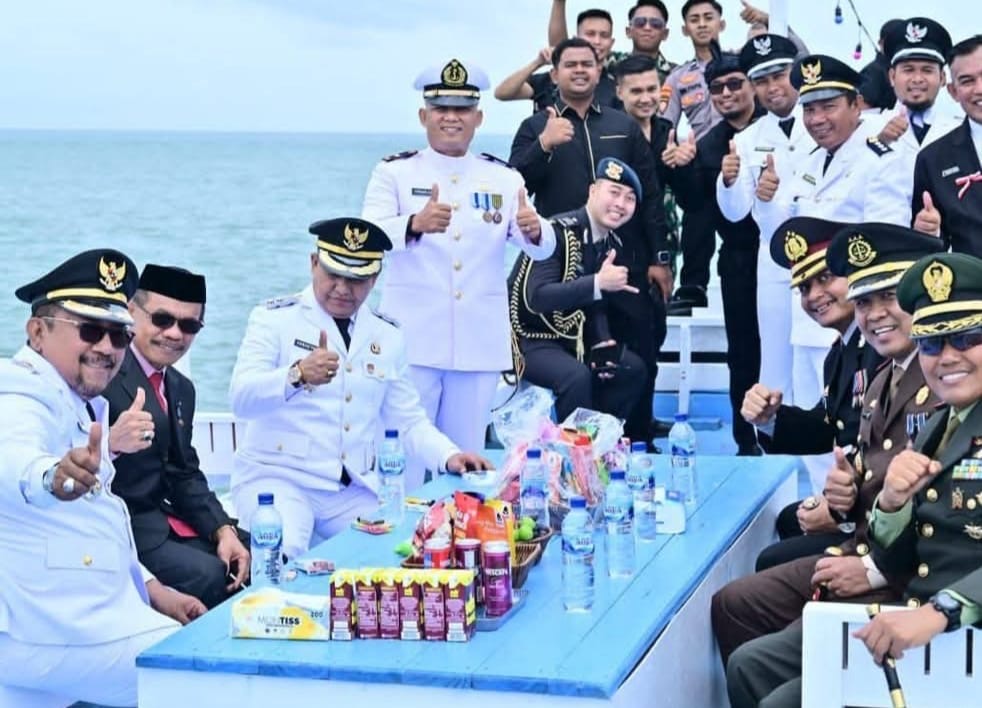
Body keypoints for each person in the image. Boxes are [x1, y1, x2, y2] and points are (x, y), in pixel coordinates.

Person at [715, 224, 943, 683]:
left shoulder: (936, 375)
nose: (875, 314)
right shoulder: (866, 365)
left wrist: (860, 546)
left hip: (911, 579)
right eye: (864, 301)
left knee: (753, 661)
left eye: (889, 297)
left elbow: (941, 508)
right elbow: (850, 444)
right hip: (871, 543)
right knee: (735, 605)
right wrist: (842, 499)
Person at [0, 249, 203, 707]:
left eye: (118, 334)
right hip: (45, 629)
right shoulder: (19, 390)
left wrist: (154, 591)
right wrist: (52, 477)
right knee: (200, 673)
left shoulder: (80, 401)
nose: (107, 348)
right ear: (37, 332)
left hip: (64, 620)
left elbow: (95, 524)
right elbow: (14, 457)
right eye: (90, 330)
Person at [229, 218, 491, 561]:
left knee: (404, 553)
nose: (342, 288)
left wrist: (448, 455)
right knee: (284, 552)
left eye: (355, 280)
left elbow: (408, 420)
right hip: (278, 478)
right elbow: (241, 398)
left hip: (349, 488)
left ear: (374, 278)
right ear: (313, 263)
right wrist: (297, 375)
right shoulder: (274, 319)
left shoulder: (387, 334)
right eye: (333, 275)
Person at [362, 58, 554, 476]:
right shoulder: (394, 172)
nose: (452, 117)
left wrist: (536, 230)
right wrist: (414, 224)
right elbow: (368, 236)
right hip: (413, 340)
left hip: (477, 342)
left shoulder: (503, 178)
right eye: (441, 108)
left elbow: (539, 247)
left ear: (478, 118)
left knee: (467, 461)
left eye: (463, 109)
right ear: (423, 116)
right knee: (404, 460)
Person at [753, 54, 911, 496]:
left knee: (860, 425)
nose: (817, 119)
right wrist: (765, 199)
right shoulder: (807, 159)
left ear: (856, 104)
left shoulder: (882, 157)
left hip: (858, 316)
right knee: (820, 429)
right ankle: (827, 506)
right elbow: (783, 238)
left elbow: (882, 244)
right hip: (811, 315)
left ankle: (851, 510)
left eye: (828, 107)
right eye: (809, 109)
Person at [510, 37, 671, 444]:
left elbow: (650, 193)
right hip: (560, 258)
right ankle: (582, 447)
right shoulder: (536, 126)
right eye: (571, 64)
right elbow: (512, 184)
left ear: (600, 72)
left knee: (637, 350)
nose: (580, 70)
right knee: (583, 361)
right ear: (554, 73)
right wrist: (544, 144)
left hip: (624, 255)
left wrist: (660, 257)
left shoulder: (622, 124)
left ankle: (634, 438)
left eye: (588, 64)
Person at [854, 252, 982, 667]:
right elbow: (900, 562)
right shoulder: (939, 425)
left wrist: (944, 609)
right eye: (930, 342)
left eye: (966, 338)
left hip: (959, 638)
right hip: (921, 626)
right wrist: (892, 504)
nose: (946, 356)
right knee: (754, 663)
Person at [104, 264, 250, 609]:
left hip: (168, 519)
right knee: (212, 575)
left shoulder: (180, 387)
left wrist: (222, 529)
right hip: (124, 529)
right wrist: (111, 442)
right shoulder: (104, 374)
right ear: (131, 312)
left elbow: (184, 472)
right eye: (162, 319)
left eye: (188, 325)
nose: (174, 334)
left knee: (257, 552)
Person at [741, 217, 883, 568]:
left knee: (770, 561)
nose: (815, 295)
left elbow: (887, 451)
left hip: (881, 515)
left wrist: (841, 515)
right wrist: (770, 418)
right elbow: (829, 425)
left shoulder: (881, 348)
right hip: (859, 498)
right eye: (804, 287)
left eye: (825, 278)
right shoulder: (841, 352)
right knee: (789, 520)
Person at [717, 33, 817, 418]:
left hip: (823, 259)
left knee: (822, 352)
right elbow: (735, 212)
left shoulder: (822, 124)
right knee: (775, 355)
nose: (772, 87)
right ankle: (777, 437)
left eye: (780, 75)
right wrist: (729, 181)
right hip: (775, 263)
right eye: (761, 80)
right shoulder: (747, 140)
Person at [670, 50, 764, 455]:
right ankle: (746, 440)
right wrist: (680, 168)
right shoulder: (707, 145)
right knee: (742, 351)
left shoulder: (782, 130)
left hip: (788, 259)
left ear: (752, 86)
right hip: (739, 259)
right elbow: (695, 208)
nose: (727, 94)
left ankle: (794, 433)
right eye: (718, 88)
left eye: (735, 84)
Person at [508, 157, 648, 423]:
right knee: (576, 377)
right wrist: (597, 282)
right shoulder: (556, 233)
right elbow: (537, 297)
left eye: (630, 199)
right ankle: (574, 446)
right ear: (593, 191)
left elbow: (596, 304)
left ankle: (599, 436)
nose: (620, 204)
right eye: (614, 192)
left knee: (631, 368)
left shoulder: (611, 243)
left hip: (570, 340)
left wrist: (602, 340)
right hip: (526, 339)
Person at [865, 17, 959, 226]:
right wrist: (879, 142)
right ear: (892, 76)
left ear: (943, 78)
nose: (917, 79)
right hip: (883, 241)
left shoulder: (960, 130)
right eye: (908, 69)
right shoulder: (865, 128)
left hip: (947, 243)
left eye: (927, 70)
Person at [911, 35, 982, 256]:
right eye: (967, 81)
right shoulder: (933, 159)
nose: (979, 89)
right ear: (953, 91)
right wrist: (928, 231)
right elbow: (932, 245)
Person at [495, 8, 619, 111]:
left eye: (604, 35)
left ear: (611, 42)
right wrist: (537, 63)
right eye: (590, 34)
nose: (597, 41)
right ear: (576, 38)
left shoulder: (619, 82)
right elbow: (502, 93)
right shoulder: (548, 80)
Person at [548, 0, 677, 83]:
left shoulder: (675, 74)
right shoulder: (612, 62)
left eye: (655, 24)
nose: (647, 28)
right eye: (640, 22)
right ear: (628, 31)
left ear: (665, 34)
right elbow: (563, 52)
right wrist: (559, 2)